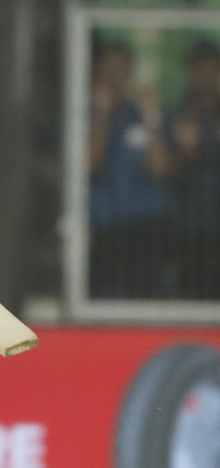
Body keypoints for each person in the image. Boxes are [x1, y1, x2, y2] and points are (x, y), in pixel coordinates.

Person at [87, 41, 175, 297]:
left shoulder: (144, 116)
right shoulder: (83, 115)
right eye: (110, 72)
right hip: (103, 228)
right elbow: (88, 165)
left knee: (145, 295)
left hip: (144, 227)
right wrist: (101, 117)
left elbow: (160, 168)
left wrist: (150, 116)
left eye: (122, 71)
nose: (116, 79)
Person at [170, 39, 220, 298]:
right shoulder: (179, 113)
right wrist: (185, 151)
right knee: (190, 293)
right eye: (199, 68)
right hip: (188, 225)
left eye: (211, 67)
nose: (205, 74)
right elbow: (166, 172)